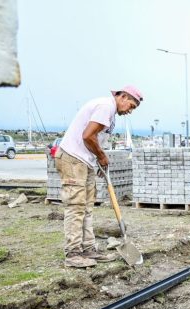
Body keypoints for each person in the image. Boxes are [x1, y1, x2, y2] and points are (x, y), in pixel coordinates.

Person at [55, 86, 143, 268]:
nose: (130, 111)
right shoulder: (106, 106)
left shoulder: (109, 112)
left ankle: (88, 249)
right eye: (131, 106)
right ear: (123, 97)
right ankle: (73, 254)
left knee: (87, 207)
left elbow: (94, 138)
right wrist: (101, 155)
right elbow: (87, 136)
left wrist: (96, 160)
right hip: (72, 159)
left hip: (83, 161)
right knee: (76, 207)